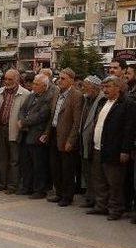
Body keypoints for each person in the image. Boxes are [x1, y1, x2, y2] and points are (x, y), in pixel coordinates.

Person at [87, 76, 135, 220]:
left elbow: (129, 129)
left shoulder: (127, 104)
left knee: (115, 182)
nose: (105, 90)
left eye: (108, 87)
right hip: (98, 147)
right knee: (99, 179)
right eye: (104, 87)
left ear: (118, 88)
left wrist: (125, 150)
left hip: (114, 149)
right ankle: (101, 206)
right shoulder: (103, 102)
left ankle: (116, 209)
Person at [47, 68, 83, 207]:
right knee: (55, 166)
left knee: (67, 168)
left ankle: (67, 196)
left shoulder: (76, 96)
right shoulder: (57, 93)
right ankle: (59, 193)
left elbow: (76, 121)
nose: (60, 81)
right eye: (59, 78)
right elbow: (52, 115)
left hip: (66, 136)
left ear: (71, 80)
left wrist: (71, 140)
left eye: (63, 79)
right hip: (54, 134)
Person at [0, 69, 29, 194]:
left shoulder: (25, 94)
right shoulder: (0, 91)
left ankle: (13, 185)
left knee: (14, 159)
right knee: (0, 157)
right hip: (1, 127)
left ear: (17, 80)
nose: (7, 82)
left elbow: (25, 114)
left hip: (14, 129)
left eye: (10, 79)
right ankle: (2, 183)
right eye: (5, 79)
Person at [18, 74, 53, 199]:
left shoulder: (48, 97)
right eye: (34, 83)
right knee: (27, 163)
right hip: (26, 134)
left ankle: (40, 189)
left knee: (39, 164)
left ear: (44, 86)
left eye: (37, 84)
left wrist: (24, 122)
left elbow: (42, 115)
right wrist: (22, 120)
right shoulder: (31, 95)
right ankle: (27, 187)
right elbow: (22, 110)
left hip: (37, 134)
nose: (34, 86)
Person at [79, 76, 104, 208]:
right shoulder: (86, 99)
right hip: (84, 140)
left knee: (96, 174)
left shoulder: (101, 101)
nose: (83, 88)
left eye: (86, 86)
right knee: (87, 171)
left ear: (94, 88)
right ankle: (90, 198)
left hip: (94, 141)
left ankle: (98, 201)